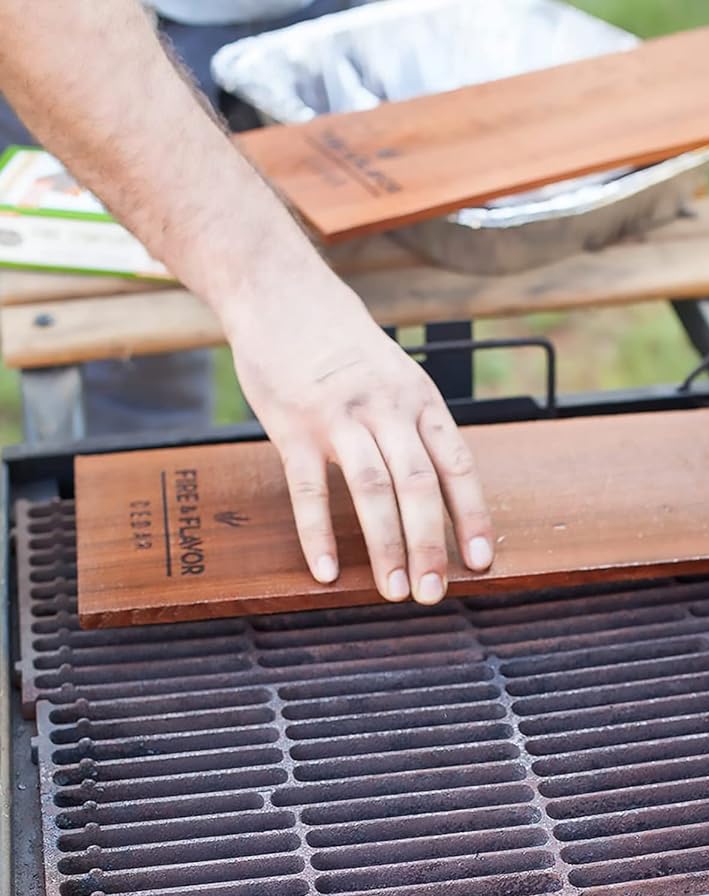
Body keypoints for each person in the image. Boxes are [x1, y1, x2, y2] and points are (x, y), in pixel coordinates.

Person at [0, 0, 495, 605]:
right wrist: (270, 285)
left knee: (368, 326)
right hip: (117, 43)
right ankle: (161, 559)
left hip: (344, 20)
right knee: (143, 383)